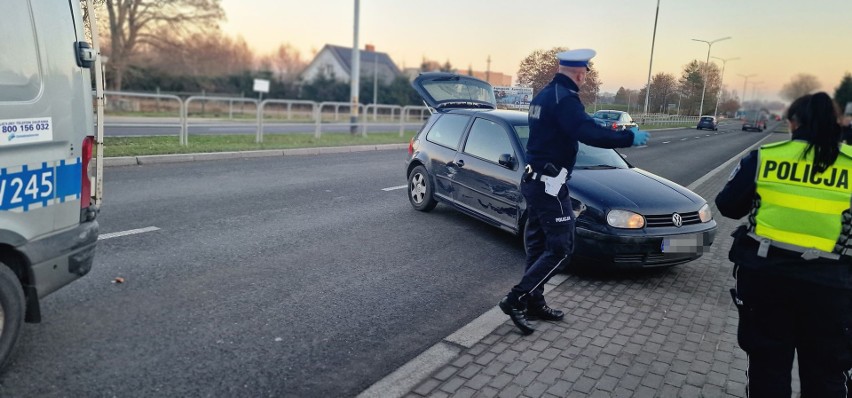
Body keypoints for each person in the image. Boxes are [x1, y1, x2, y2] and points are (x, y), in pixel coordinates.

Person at [498, 48, 650, 335]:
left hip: (535, 181)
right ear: (580, 73)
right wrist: (629, 136)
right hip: (549, 185)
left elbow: (576, 127)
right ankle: (516, 298)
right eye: (585, 74)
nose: (584, 79)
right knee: (562, 249)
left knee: (539, 246)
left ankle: (533, 300)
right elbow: (589, 132)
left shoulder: (545, 95)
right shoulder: (565, 99)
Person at [716, 92, 852, 397]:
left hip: (766, 281)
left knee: (768, 370)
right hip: (831, 287)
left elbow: (727, 205)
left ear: (793, 123)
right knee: (827, 375)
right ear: (835, 123)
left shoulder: (766, 158)